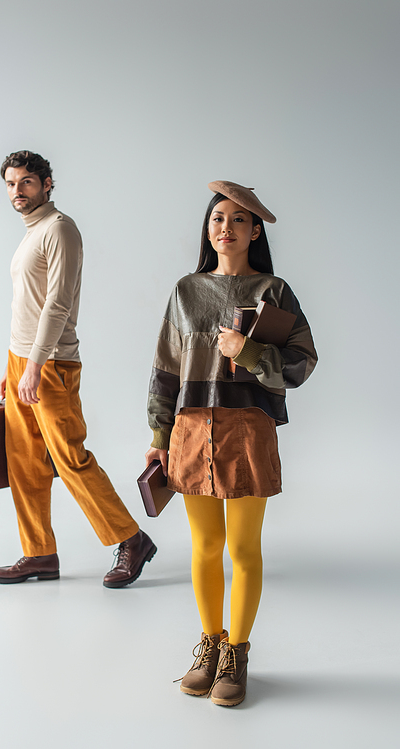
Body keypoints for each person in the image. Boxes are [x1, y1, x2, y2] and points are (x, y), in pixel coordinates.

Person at [145, 180, 317, 706]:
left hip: (248, 428)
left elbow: (302, 362)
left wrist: (248, 352)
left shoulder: (275, 291)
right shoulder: (186, 291)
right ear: (208, 228)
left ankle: (236, 654)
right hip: (192, 429)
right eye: (218, 219)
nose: (226, 228)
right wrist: (158, 435)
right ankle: (209, 643)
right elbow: (165, 367)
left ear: (255, 229)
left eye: (238, 220)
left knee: (242, 548)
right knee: (205, 547)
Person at [0, 150, 156, 587]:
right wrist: (15, 365)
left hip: (51, 363)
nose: (17, 191)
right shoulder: (31, 233)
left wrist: (35, 365)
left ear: (47, 184)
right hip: (25, 359)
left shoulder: (59, 229)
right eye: (10, 183)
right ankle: (39, 554)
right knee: (24, 463)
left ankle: (132, 539)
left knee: (69, 459)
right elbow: (25, 307)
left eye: (26, 182)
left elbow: (57, 304)